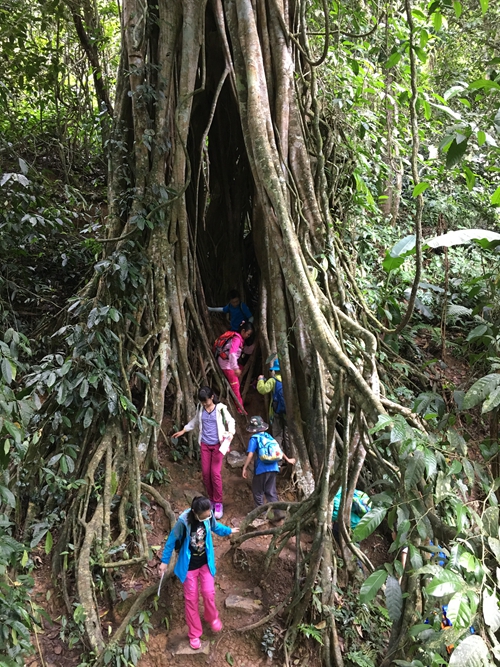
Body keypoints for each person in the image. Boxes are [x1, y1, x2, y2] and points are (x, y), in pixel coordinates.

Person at [158, 496, 239, 650]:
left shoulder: (208, 515)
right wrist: (164, 562)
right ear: (195, 512)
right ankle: (194, 633)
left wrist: (229, 530)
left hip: (205, 563)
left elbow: (215, 526)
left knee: (209, 593)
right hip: (189, 566)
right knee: (191, 599)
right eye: (204, 516)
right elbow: (171, 541)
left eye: (209, 515)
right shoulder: (183, 522)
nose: (207, 518)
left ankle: (211, 617)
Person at [173, 387, 235, 519]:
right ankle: (211, 500)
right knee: (206, 474)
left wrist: (231, 432)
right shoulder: (201, 408)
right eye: (202, 402)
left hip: (218, 445)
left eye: (206, 401)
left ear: (212, 397)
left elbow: (231, 421)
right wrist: (184, 430)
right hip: (205, 445)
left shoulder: (220, 409)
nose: (204, 404)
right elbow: (195, 421)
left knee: (215, 473)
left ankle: (218, 503)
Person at [242, 416, 295, 522]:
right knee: (271, 491)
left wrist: (244, 468)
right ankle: (278, 512)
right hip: (274, 467)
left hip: (261, 469)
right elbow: (278, 450)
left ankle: (261, 513)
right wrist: (288, 460)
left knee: (258, 491)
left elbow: (250, 454)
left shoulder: (254, 439)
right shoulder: (269, 437)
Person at [215, 321, 254, 415]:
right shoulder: (237, 339)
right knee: (235, 386)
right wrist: (235, 368)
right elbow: (232, 354)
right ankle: (240, 409)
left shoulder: (239, 339)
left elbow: (245, 350)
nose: (248, 336)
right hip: (226, 364)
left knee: (242, 368)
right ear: (243, 331)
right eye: (248, 334)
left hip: (228, 362)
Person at [256, 357, 288, 449]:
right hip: (288, 411)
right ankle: (290, 453)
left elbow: (262, 390)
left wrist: (260, 380)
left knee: (277, 433)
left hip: (276, 410)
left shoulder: (273, 380)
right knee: (288, 433)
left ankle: (278, 454)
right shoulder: (289, 379)